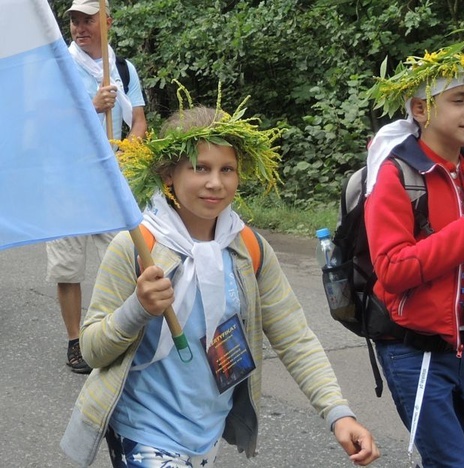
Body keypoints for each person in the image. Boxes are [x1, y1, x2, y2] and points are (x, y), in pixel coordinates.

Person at [60, 98, 380, 467]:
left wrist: (338, 413)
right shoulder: (135, 247)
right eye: (200, 168)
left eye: (227, 169)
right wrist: (138, 309)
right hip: (143, 430)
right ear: (168, 175)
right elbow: (92, 350)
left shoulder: (249, 248)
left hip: (206, 434)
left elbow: (295, 338)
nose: (215, 182)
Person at [364, 30, 464, 468]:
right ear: (420, 109)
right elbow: (393, 270)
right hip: (413, 350)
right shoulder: (397, 177)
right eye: (458, 100)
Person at [47, 0, 147, 374]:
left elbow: (138, 119)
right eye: (74, 20)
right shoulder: (61, 67)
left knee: (122, 260)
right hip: (66, 179)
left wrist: (131, 149)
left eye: (87, 19)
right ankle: (76, 342)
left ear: (107, 21)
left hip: (109, 177)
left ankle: (110, 334)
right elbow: (50, 124)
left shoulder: (121, 68)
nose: (79, 27)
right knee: (68, 267)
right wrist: (93, 105)